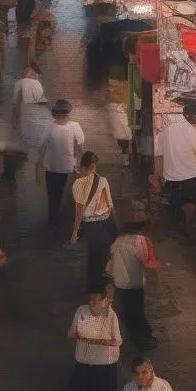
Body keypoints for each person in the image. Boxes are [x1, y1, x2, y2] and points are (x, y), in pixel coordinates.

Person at [66, 285, 122, 391]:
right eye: (91, 300)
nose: (92, 303)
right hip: (84, 365)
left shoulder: (111, 316)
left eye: (96, 301)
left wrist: (91, 340)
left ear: (105, 301)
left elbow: (117, 341)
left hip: (106, 368)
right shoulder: (81, 311)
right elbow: (72, 334)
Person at [156, 99, 196, 237]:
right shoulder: (192, 132)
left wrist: (158, 176)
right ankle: (187, 229)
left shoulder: (166, 130)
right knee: (190, 204)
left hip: (170, 177)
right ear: (189, 116)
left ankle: (173, 227)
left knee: (173, 203)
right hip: (189, 176)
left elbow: (159, 155)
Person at [109, 214, 159, 352]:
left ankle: (141, 335)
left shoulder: (117, 241)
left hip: (120, 283)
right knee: (136, 310)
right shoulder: (141, 240)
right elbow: (147, 262)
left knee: (129, 311)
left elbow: (112, 262)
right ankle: (141, 339)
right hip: (135, 283)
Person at [70, 152, 117, 289]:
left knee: (93, 261)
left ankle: (95, 292)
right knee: (105, 258)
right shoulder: (103, 180)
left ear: (83, 167)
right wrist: (116, 227)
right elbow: (111, 206)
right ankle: (106, 291)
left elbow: (80, 209)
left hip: (91, 226)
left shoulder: (78, 184)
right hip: (107, 222)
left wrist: (75, 232)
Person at [40, 100, 86, 228]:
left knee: (52, 195)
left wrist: (38, 164)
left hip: (51, 166)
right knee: (63, 194)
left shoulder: (50, 126)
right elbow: (80, 146)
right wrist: (82, 164)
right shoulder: (75, 126)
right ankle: (60, 221)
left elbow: (42, 145)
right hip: (68, 167)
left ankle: (52, 220)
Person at [13, 61, 50, 162]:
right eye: (26, 72)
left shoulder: (21, 83)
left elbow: (15, 100)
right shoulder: (33, 83)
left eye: (31, 72)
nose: (28, 74)